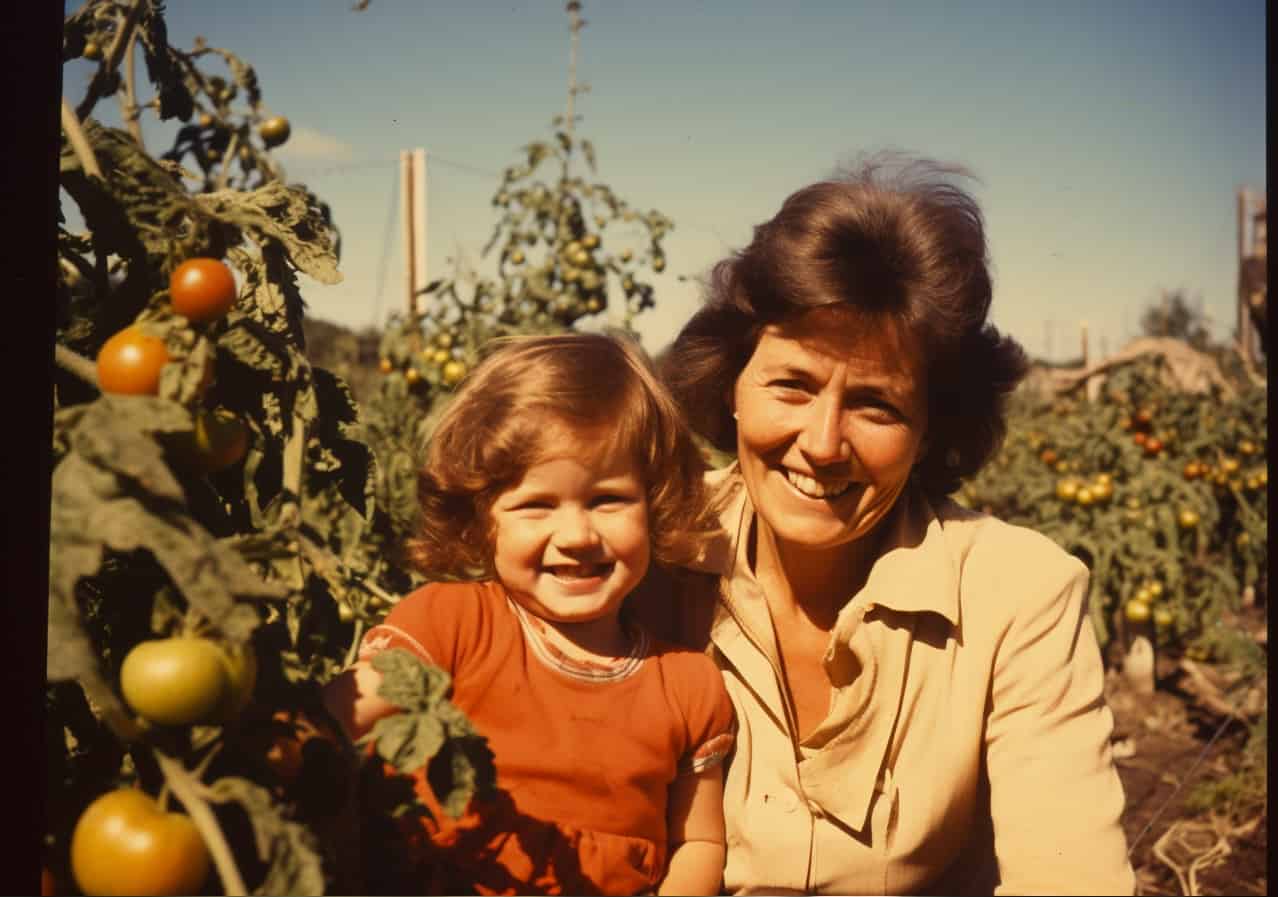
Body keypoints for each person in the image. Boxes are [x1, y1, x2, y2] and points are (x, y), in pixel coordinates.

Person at [643, 153, 1137, 895]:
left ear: (930, 430)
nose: (821, 442)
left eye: (876, 404)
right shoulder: (648, 552)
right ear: (732, 385)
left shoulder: (1020, 595)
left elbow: (1070, 878)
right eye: (792, 385)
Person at [324, 332, 735, 896]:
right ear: (481, 519)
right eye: (536, 505)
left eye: (607, 499)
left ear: (656, 502)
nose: (577, 536)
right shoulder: (452, 626)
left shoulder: (689, 683)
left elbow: (699, 842)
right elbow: (335, 718)